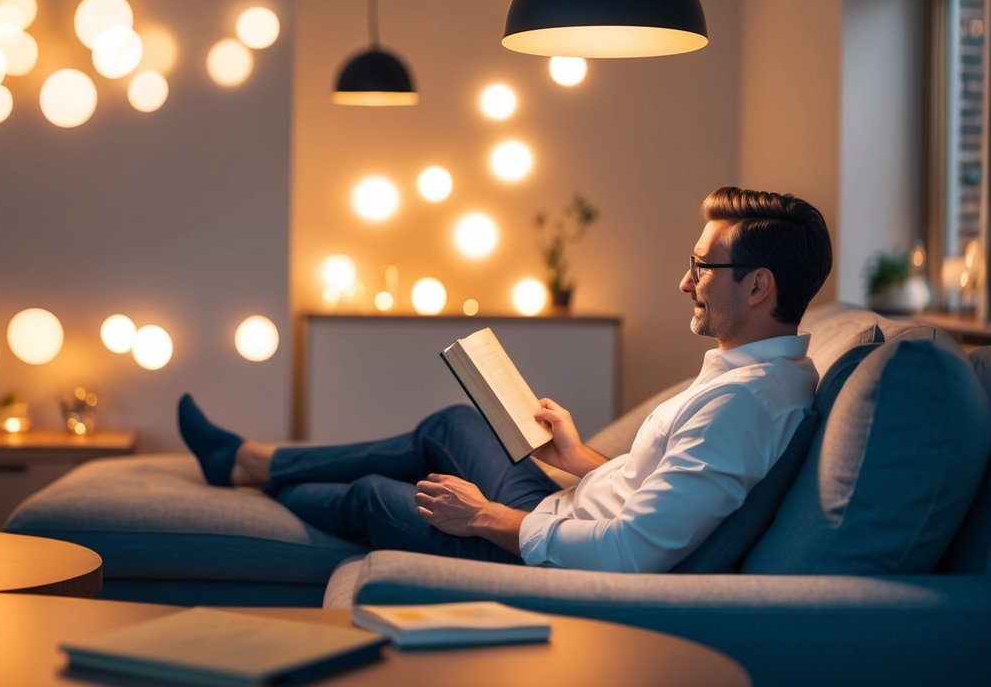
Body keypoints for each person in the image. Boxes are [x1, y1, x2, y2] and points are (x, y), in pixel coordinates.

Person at [178, 186, 833, 573]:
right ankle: (248, 459)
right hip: (556, 512)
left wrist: (489, 518)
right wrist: (578, 459)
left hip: (542, 555)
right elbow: (655, 490)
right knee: (453, 424)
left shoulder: (747, 406)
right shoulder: (761, 376)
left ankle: (256, 477)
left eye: (701, 267)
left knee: (376, 495)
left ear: (756, 286)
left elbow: (635, 549)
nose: (684, 283)